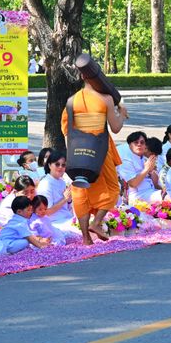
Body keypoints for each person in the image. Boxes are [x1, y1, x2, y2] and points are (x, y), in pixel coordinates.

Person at [62, 76, 127, 245]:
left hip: (77, 153)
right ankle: (96, 223)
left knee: (81, 193)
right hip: (99, 152)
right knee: (113, 188)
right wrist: (122, 114)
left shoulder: (71, 101)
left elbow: (66, 130)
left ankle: (86, 238)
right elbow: (116, 127)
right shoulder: (105, 99)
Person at [35, 151, 75, 231]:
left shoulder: (62, 182)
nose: (60, 167)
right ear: (49, 165)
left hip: (67, 218)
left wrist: (69, 200)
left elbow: (67, 206)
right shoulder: (45, 184)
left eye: (63, 165)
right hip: (55, 223)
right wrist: (65, 199)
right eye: (57, 164)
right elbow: (46, 212)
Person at [118, 132, 162, 205]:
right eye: (136, 142)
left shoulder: (142, 156)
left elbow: (155, 183)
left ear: (145, 145)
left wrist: (151, 171)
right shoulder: (126, 157)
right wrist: (147, 169)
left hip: (148, 191)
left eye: (142, 142)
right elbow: (133, 183)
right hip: (134, 194)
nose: (139, 145)